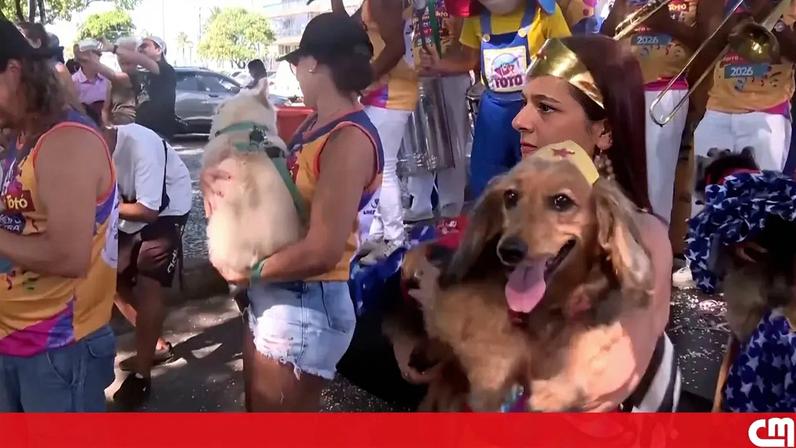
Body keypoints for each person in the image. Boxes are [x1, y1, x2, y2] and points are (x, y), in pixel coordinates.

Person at [395, 36, 679, 411]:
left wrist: (447, 315)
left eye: (545, 108)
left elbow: (603, 378)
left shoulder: (644, 235)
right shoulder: (509, 218)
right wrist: (410, 338)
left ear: (604, 131)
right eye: (524, 102)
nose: (519, 120)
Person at [202, 13, 382, 411]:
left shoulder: (349, 138)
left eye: (298, 65)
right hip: (281, 293)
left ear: (314, 62)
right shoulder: (315, 125)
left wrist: (245, 273)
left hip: (305, 301)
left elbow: (324, 249)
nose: (297, 76)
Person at [0, 20, 118, 412]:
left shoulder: (67, 140)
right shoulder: (20, 138)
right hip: (15, 343)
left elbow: (69, 256)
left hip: (58, 352)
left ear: (12, 73)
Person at [421, 0, 572, 198]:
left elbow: (566, 58)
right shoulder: (475, 20)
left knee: (538, 172)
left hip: (532, 110)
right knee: (485, 175)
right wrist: (438, 65)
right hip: (493, 112)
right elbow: (469, 60)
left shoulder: (543, 14)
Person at [102, 123, 191, 409]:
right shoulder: (85, 152)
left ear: (102, 129)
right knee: (109, 276)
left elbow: (148, 211)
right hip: (129, 210)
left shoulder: (140, 144)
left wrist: (95, 204)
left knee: (148, 283)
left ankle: (142, 374)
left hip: (166, 210)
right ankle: (156, 346)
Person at [603, 0, 701, 224]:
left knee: (657, 182)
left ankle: (655, 249)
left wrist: (667, 24)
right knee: (621, 176)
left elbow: (710, 39)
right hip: (626, 89)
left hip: (666, 89)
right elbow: (605, 38)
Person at [337, 0, 419, 260]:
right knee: (375, 167)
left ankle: (395, 239)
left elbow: (396, 47)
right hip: (383, 93)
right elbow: (344, 27)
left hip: (391, 93)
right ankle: (375, 234)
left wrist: (365, 78)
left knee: (384, 168)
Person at [402, 0, 471, 224]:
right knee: (420, 141)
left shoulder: (456, 4)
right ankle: (420, 203)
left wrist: (443, 62)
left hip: (451, 77)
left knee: (453, 143)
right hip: (422, 77)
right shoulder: (413, 5)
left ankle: (451, 206)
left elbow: (465, 45)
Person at [97, 36, 177, 139]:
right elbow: (112, 74)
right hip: (142, 131)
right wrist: (91, 60)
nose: (140, 49)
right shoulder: (140, 75)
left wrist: (113, 48)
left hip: (159, 133)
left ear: (158, 50)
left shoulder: (166, 70)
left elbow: (140, 60)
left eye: (144, 46)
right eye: (139, 47)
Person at [17, 22, 83, 114]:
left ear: (37, 43)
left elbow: (76, 107)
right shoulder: (17, 74)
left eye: (23, 41)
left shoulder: (58, 69)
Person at [78, 37, 138, 126]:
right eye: (120, 53)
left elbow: (108, 72)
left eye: (127, 52)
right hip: (118, 130)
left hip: (136, 129)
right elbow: (105, 110)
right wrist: (106, 128)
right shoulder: (111, 82)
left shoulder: (140, 77)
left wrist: (88, 55)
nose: (123, 57)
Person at [71, 47, 109, 125]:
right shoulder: (74, 81)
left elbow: (108, 108)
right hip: (85, 124)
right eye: (93, 60)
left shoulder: (106, 79)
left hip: (105, 123)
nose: (97, 63)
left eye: (98, 56)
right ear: (82, 61)